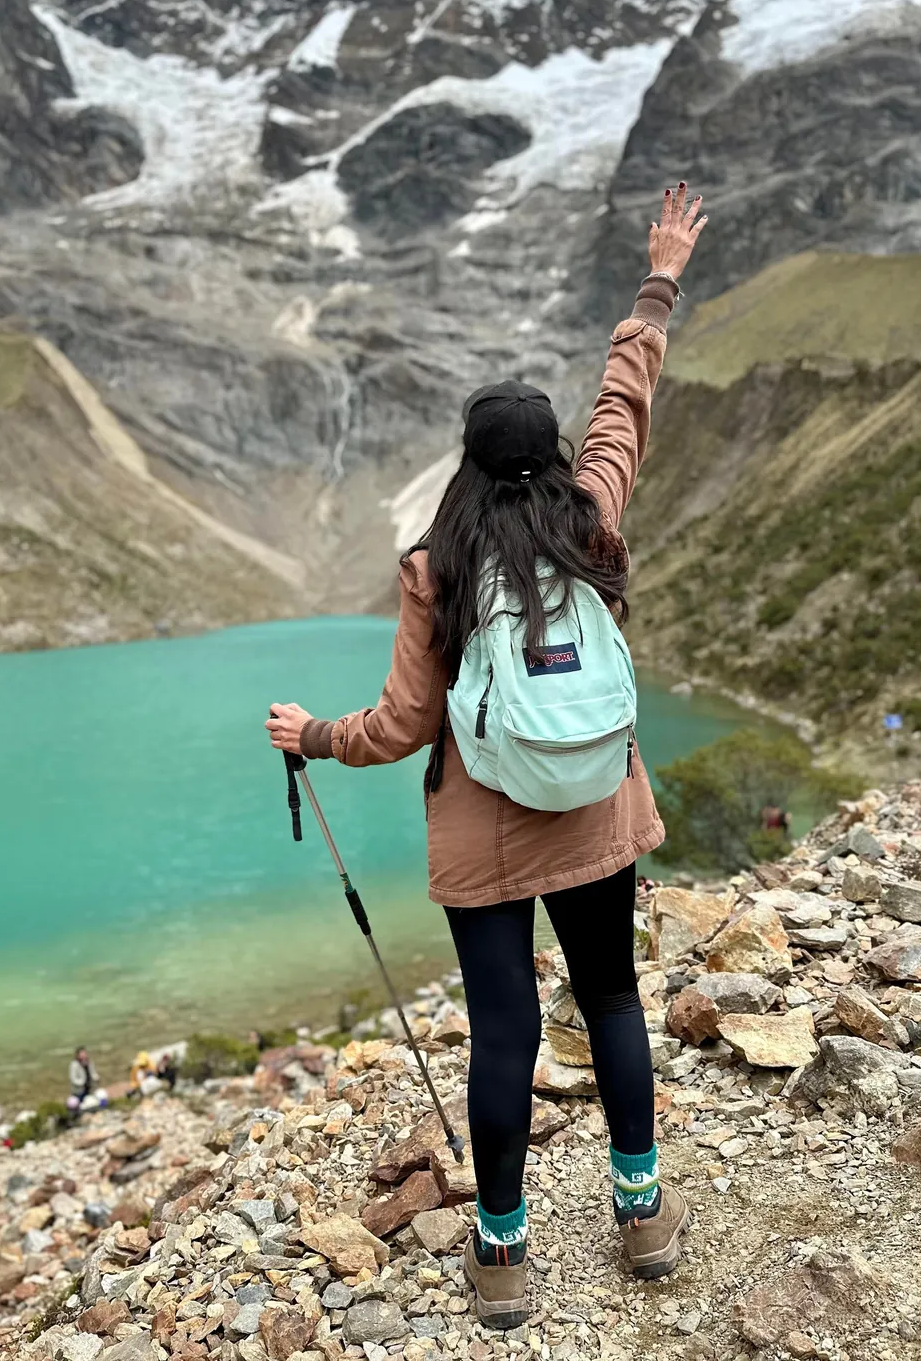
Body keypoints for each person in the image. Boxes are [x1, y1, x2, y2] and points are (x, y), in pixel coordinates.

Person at [267, 183, 708, 1328]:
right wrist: (657, 277)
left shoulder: (435, 568)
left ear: (465, 463)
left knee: (506, 1027)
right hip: (599, 811)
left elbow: (401, 726)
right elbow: (625, 407)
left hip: (489, 831)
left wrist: (309, 735)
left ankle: (504, 1254)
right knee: (611, 1000)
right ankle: (644, 1212)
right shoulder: (593, 524)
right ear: (552, 455)